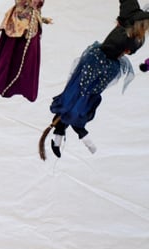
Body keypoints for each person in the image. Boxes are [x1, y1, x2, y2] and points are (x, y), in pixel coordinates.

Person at [41, 0, 149, 159]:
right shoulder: (132, 38)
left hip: (104, 66)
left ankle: (65, 133)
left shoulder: (133, 34)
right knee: (77, 96)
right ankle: (73, 132)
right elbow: (121, 48)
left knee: (81, 97)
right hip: (97, 64)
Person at [0, 0, 52, 102]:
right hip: (18, 25)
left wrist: (41, 18)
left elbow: (36, 8)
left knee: (28, 59)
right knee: (11, 56)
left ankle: (23, 88)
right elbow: (22, 4)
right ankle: (4, 85)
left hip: (31, 26)